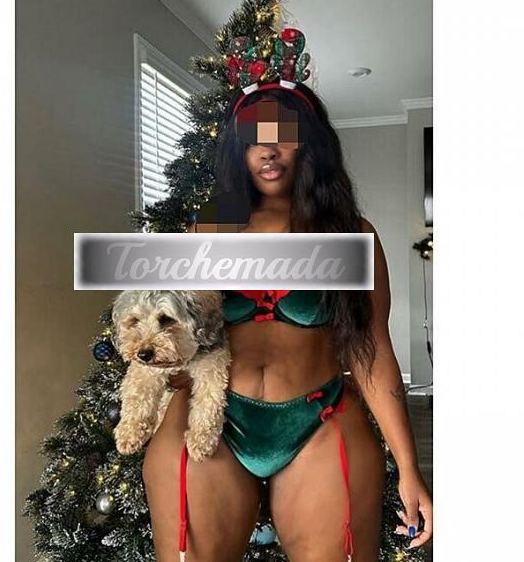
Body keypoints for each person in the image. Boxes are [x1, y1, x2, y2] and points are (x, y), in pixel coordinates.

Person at [141, 80, 433, 561]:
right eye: (253, 138)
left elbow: (372, 349)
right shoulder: (208, 224)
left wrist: (408, 465)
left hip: (319, 420)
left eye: (283, 135)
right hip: (212, 418)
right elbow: (171, 327)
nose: (268, 150)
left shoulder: (349, 233)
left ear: (308, 143)